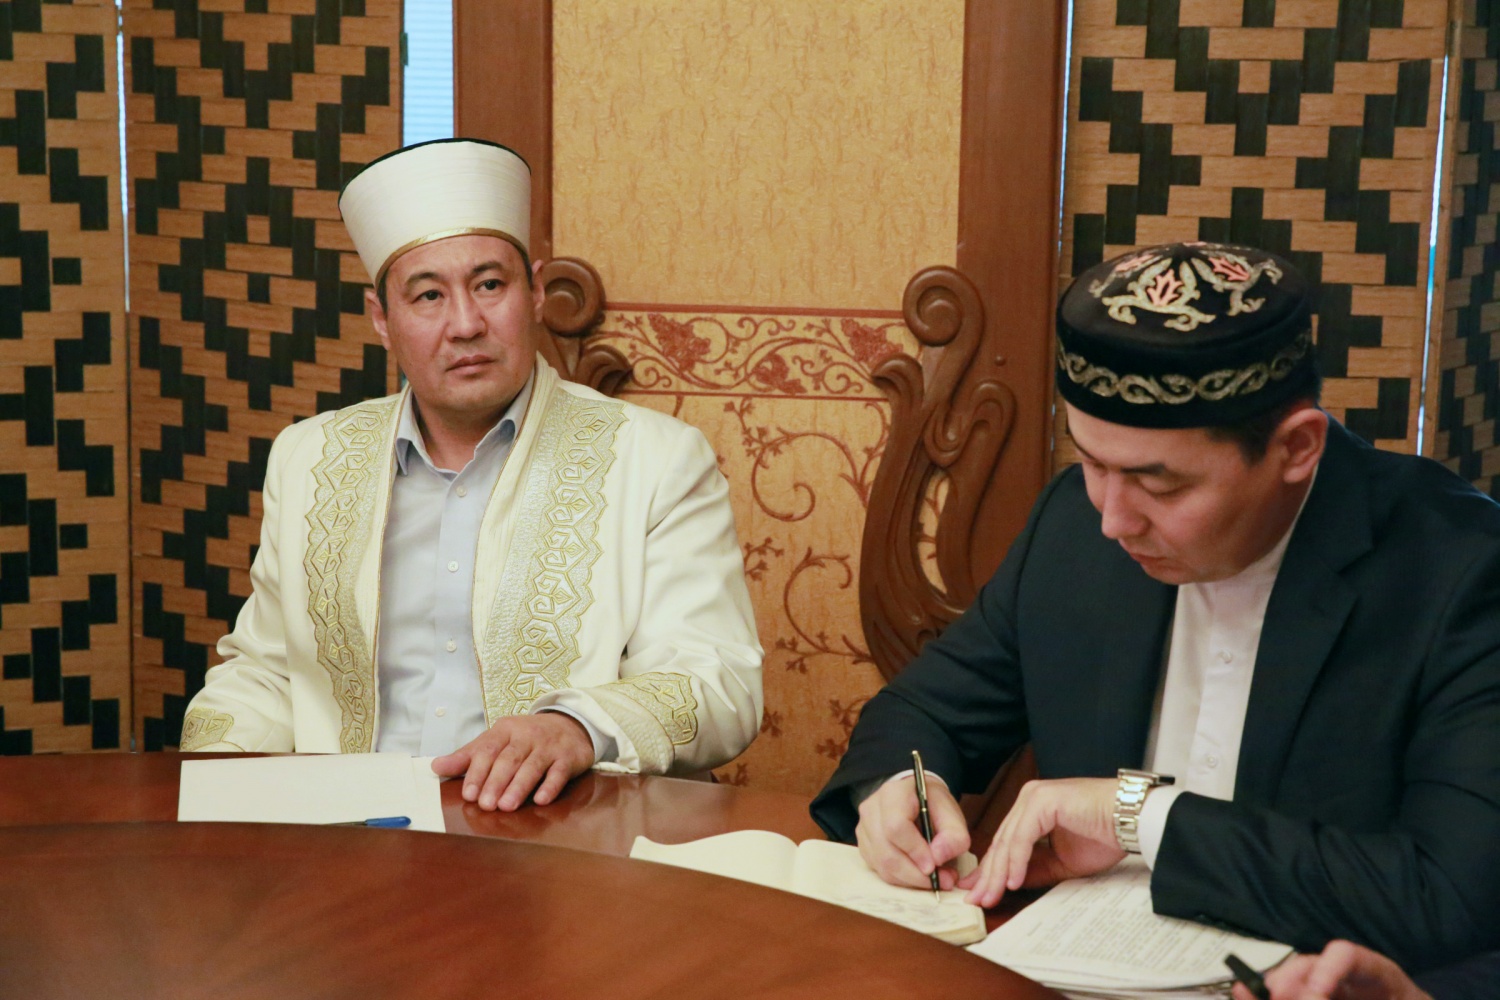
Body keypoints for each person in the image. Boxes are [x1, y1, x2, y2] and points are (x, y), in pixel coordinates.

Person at [810, 242, 1500, 971]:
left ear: (1296, 448)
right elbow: (923, 711)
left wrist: (1138, 816)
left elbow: (1453, 894)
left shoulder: (1458, 573)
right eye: (1090, 462)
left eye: (1159, 485)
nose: (1113, 520)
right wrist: (900, 790)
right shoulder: (1073, 527)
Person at [180, 139, 763, 812]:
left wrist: (576, 728)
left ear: (535, 292)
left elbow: (719, 683)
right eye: (428, 295)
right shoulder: (310, 457)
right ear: (381, 319)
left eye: (490, 285)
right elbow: (267, 673)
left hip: (553, 839)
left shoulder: (657, 459)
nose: (465, 324)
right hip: (347, 832)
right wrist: (211, 787)